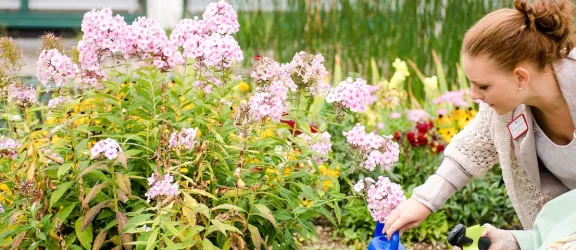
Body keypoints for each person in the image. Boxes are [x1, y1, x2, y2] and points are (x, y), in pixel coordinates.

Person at [384, 0, 576, 249]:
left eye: (483, 86)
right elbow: (469, 150)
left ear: (520, 77)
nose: (474, 94)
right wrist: (423, 201)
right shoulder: (505, 112)